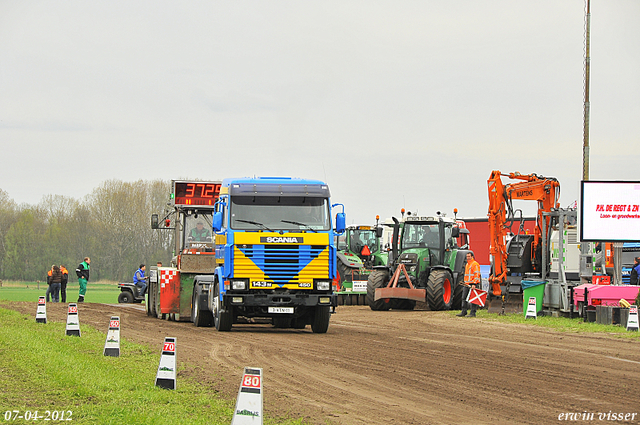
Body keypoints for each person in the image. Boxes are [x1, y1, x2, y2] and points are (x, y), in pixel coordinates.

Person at [457, 252, 481, 318]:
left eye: (469, 256)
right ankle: (463, 311)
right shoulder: (467, 264)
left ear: (472, 256)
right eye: (467, 256)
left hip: (473, 284)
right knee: (464, 298)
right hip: (467, 284)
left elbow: (477, 275)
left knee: (473, 299)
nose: (467, 258)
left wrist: (474, 284)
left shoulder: (475, 264)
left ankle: (473, 313)